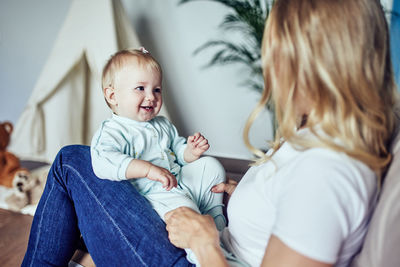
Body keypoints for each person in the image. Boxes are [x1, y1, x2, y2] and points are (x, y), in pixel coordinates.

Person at [22, 0, 398, 266]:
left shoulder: (326, 174)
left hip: (200, 257)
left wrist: (204, 243)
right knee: (88, 163)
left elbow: (314, 197)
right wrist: (252, 198)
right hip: (209, 241)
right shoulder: (329, 136)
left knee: (71, 161)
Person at [91, 48, 226, 264]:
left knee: (211, 166)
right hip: (158, 194)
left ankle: (217, 221)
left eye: (157, 90)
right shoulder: (112, 131)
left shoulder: (162, 124)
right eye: (140, 88)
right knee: (186, 210)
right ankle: (200, 256)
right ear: (112, 95)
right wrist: (148, 169)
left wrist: (190, 152)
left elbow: (178, 151)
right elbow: (103, 161)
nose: (150, 97)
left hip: (180, 179)